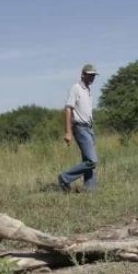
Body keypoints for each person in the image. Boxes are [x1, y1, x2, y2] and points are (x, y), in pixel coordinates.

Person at [58, 64, 99, 192]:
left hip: (89, 127)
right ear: (83, 74)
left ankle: (90, 189)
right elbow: (68, 109)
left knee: (88, 160)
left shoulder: (87, 90)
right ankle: (65, 177)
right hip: (80, 127)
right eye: (90, 75)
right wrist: (68, 132)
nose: (92, 77)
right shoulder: (76, 88)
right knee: (92, 161)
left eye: (93, 75)